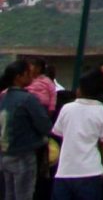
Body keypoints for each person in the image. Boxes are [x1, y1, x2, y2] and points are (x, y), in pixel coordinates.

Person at [49, 72, 103, 200]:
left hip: (65, 170)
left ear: (80, 90)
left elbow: (58, 133)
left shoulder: (67, 108)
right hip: (91, 171)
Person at [3, 60, 51, 200]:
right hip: (23, 154)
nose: (32, 76)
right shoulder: (28, 99)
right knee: (23, 195)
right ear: (19, 76)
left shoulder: (4, 98)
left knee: (9, 194)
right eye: (28, 73)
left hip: (5, 153)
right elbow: (45, 125)